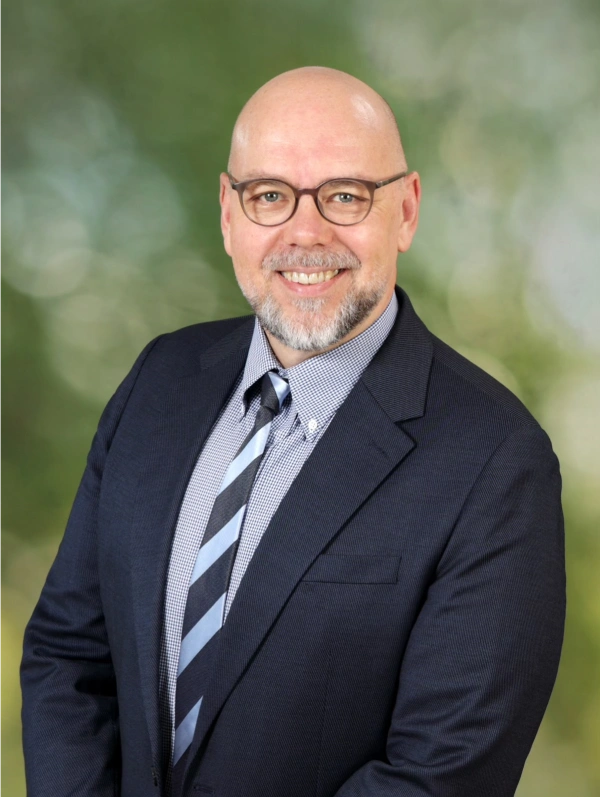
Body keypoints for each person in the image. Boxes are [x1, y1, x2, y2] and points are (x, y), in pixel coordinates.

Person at [20, 66, 565, 797]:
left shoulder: (495, 460)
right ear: (228, 214)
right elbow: (67, 654)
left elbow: (440, 773)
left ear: (406, 211)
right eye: (270, 196)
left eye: (345, 195)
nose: (305, 233)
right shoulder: (159, 380)